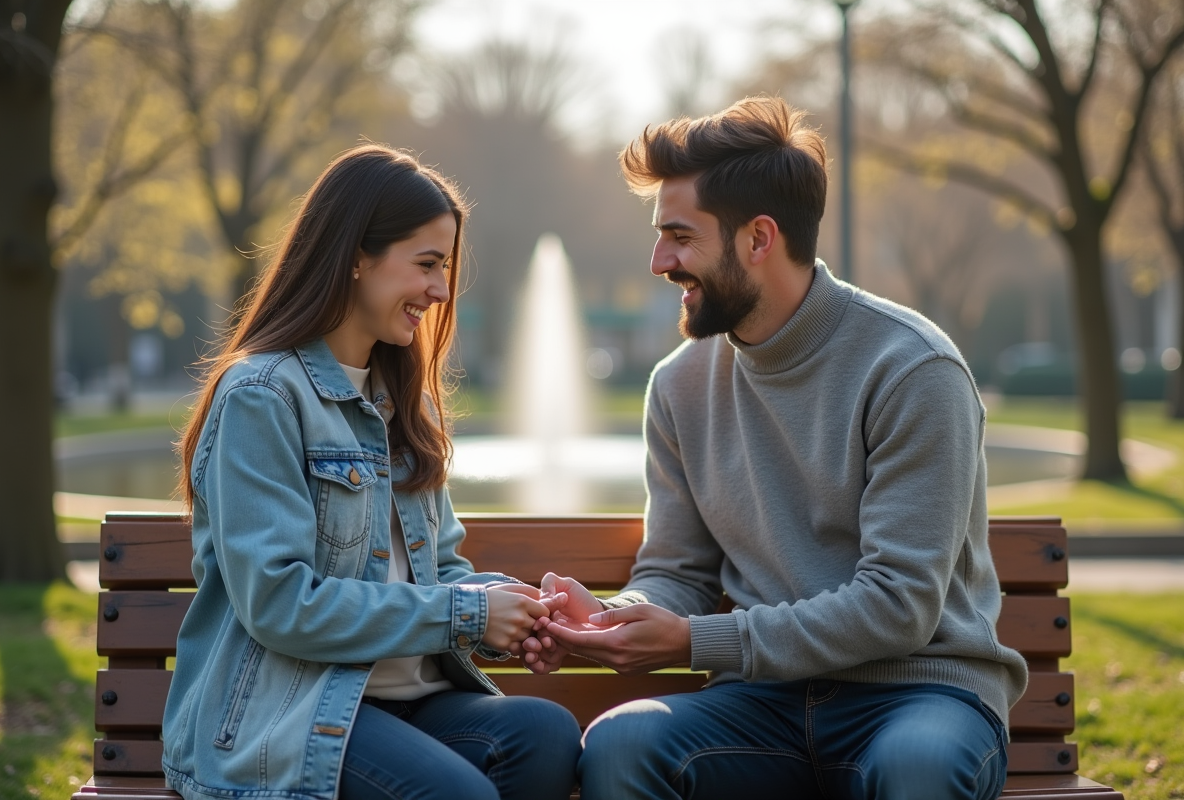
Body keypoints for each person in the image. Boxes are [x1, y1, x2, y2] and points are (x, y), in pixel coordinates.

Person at [520, 97, 1029, 800]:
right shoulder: (680, 386)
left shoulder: (911, 369)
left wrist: (693, 642)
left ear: (759, 239)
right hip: (761, 704)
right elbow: (679, 571)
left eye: (679, 235)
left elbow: (898, 606)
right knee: (622, 745)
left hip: (918, 695)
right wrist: (618, 613)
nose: (658, 261)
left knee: (917, 769)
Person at [162, 144, 581, 800]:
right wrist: (465, 616)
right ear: (358, 256)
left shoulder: (403, 403)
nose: (441, 291)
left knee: (545, 735)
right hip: (290, 716)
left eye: (444, 269)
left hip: (405, 705)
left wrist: (516, 609)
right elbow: (279, 603)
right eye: (426, 265)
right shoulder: (262, 396)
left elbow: (440, 572)